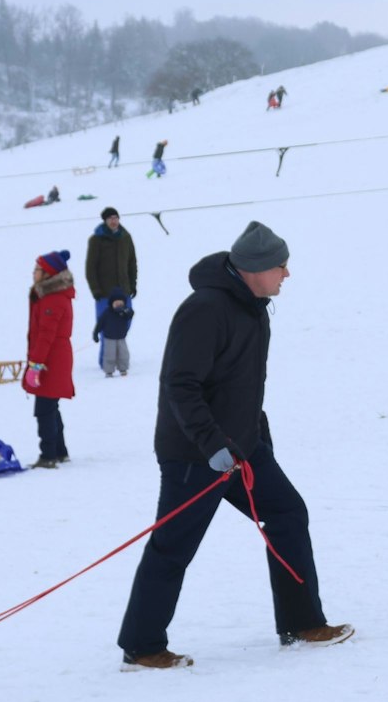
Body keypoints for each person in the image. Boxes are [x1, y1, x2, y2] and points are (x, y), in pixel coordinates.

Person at [116, 221, 351, 669]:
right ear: (256, 268)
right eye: (281, 266)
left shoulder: (254, 306)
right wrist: (212, 445)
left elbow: (241, 385)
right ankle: (142, 646)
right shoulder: (205, 309)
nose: (287, 274)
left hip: (244, 449)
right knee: (173, 547)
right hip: (195, 454)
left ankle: (301, 623)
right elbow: (180, 385)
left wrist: (257, 435)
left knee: (286, 513)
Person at [24, 250, 76, 469]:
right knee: (50, 407)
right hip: (52, 356)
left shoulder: (53, 300)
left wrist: (35, 365)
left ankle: (48, 455)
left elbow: (46, 335)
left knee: (44, 408)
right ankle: (59, 451)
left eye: (37, 269)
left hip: (51, 359)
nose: (33, 273)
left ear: (48, 273)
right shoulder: (48, 296)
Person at [85, 207, 139, 377]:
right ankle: (105, 361)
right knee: (106, 328)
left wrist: (132, 285)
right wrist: (96, 290)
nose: (114, 221)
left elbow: (132, 262)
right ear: (105, 221)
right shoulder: (96, 239)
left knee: (125, 324)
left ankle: (120, 359)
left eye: (116, 217)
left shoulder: (125, 237)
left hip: (124, 290)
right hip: (104, 293)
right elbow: (90, 267)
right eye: (110, 218)